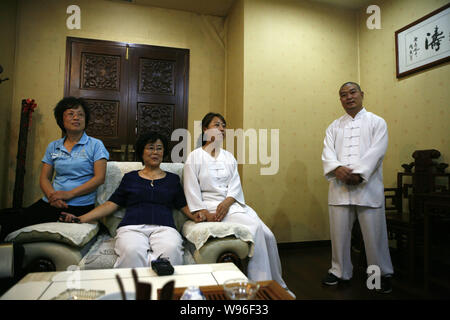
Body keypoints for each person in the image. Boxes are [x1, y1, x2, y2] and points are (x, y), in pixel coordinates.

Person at [183, 112, 294, 298]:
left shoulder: (229, 157)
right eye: (216, 125)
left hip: (231, 205)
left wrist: (228, 202)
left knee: (268, 235)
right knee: (256, 227)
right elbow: (191, 190)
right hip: (211, 207)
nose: (221, 129)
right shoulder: (194, 157)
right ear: (205, 129)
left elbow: (235, 187)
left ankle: (277, 284)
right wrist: (204, 212)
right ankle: (259, 286)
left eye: (224, 126)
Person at [61, 132, 201, 268]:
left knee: (170, 250)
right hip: (132, 228)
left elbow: (183, 206)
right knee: (132, 251)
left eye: (159, 148)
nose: (155, 152)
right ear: (142, 152)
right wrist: (80, 218)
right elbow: (111, 204)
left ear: (164, 152)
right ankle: (133, 290)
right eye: (150, 148)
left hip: (164, 228)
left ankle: (162, 290)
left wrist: (198, 216)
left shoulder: (172, 179)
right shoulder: (130, 178)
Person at [0, 96, 109, 241]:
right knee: (9, 224)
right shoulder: (53, 146)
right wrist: (53, 196)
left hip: (80, 205)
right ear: (61, 120)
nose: (76, 117)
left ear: (86, 119)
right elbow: (45, 178)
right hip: (52, 202)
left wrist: (69, 194)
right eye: (71, 114)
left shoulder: (96, 145)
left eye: (81, 114)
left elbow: (99, 178)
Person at [321, 82, 394, 293]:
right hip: (339, 186)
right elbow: (328, 153)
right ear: (340, 100)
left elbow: (377, 151)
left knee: (374, 235)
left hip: (367, 185)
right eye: (343, 95)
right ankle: (339, 272)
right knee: (339, 234)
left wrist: (359, 173)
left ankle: (378, 275)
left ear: (362, 94)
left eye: (352, 92)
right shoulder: (333, 126)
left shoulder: (377, 122)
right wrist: (337, 169)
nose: (348, 97)